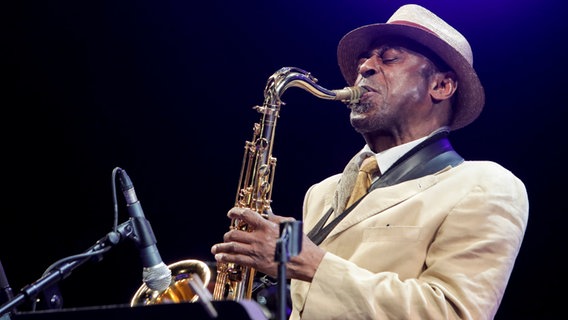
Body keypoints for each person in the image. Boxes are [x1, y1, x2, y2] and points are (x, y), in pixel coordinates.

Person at [211, 4, 529, 319]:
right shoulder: (321, 193)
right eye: (365, 59)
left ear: (441, 85)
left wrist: (309, 263)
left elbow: (452, 313)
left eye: (389, 57)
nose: (364, 68)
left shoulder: (485, 185)